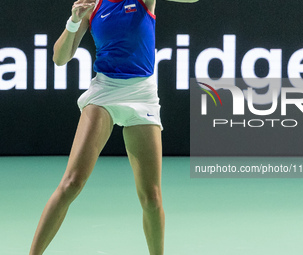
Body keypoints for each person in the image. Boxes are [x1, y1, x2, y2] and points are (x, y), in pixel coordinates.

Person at [29, 0, 198, 254]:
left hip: (142, 95)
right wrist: (74, 20)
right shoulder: (93, 4)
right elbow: (59, 58)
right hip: (105, 91)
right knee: (72, 182)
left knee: (152, 198)